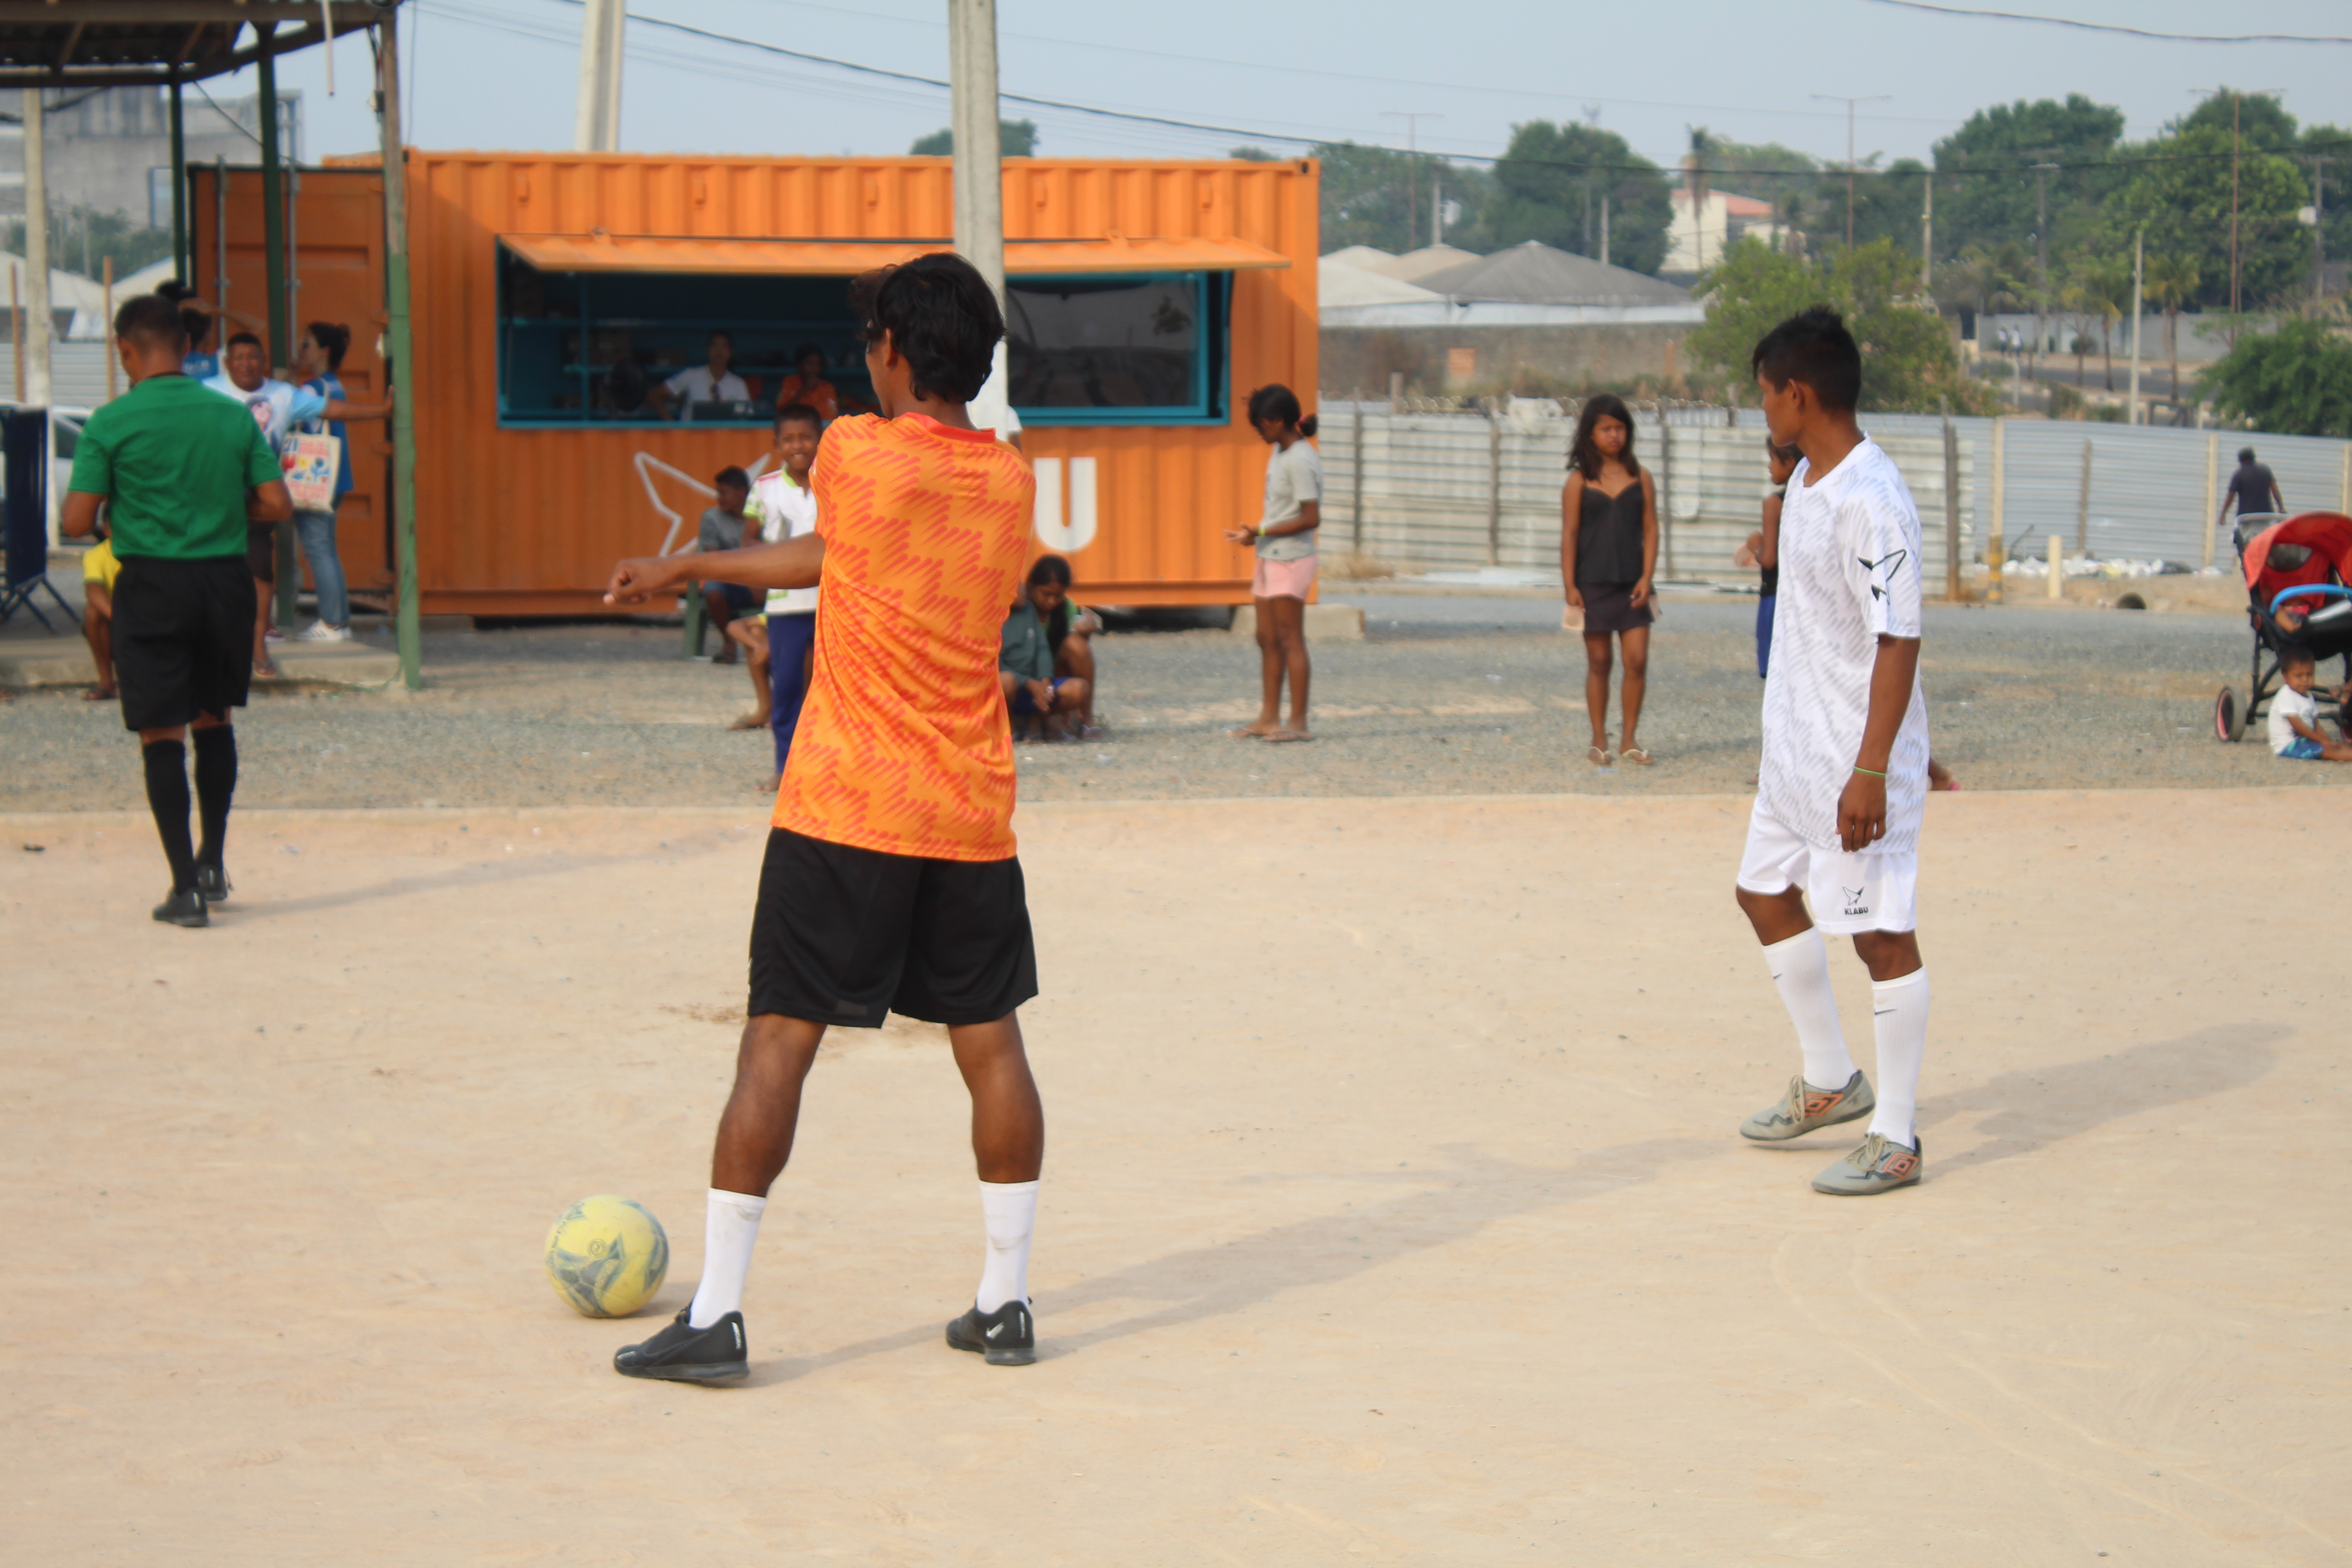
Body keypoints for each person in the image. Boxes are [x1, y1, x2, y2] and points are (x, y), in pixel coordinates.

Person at [598, 252, 1045, 1382]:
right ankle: (1004, 1301)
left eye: (871, 342)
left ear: (895, 350)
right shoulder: (1007, 481)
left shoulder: (851, 448)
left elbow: (838, 534)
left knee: (776, 1041)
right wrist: (698, 562)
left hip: (846, 801)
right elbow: (841, 556)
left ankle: (718, 1313)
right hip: (966, 809)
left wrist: (690, 559)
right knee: (990, 1046)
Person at [1732, 307, 1935, 1197]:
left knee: (1881, 938)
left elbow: (1900, 638)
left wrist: (1874, 767)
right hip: (1795, 760)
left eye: (1767, 395)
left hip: (1854, 764)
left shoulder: (1872, 499)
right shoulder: (1809, 483)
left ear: (1798, 393)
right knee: (1761, 892)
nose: (1764, 411)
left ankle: (1896, 1135)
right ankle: (1830, 1081)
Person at [62, 294, 293, 927]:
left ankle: (184, 889)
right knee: (212, 719)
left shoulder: (111, 422)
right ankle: (214, 861)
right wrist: (223, 508)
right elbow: (276, 506)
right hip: (225, 583)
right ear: (189, 349)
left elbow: (75, 519)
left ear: (125, 351)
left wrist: (125, 511)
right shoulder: (231, 417)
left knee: (160, 731)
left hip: (153, 586)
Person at [205, 333, 326, 676]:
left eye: (253, 357)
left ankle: (258, 645)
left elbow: (331, 408)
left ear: (264, 362)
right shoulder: (204, 389)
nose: (246, 363)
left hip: (259, 496)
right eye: (238, 357)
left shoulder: (284, 394)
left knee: (259, 567)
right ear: (227, 363)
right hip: (214, 492)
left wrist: (383, 410)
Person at [1560, 393, 1660, 766]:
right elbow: (1569, 534)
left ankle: (1630, 739)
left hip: (1634, 585)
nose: (1613, 435)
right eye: (1605, 429)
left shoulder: (1641, 477)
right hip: (1593, 585)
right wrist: (1570, 586)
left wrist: (1648, 576)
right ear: (1590, 434)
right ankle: (1599, 738)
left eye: (1619, 428)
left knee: (1637, 660)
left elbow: (1651, 529)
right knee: (1599, 660)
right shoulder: (1578, 481)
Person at [1223, 384, 1320, 743]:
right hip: (1269, 554)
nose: (1259, 433)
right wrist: (1254, 537)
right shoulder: (1280, 451)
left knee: (1290, 638)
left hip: (1292, 558)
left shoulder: (1301, 459)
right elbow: (1283, 511)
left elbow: (1312, 517)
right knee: (1266, 638)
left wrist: (1263, 529)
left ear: (1277, 421)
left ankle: (1298, 723)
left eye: (1261, 426)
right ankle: (1268, 717)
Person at [286, 321, 394, 643]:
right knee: (327, 549)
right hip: (336, 477)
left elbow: (287, 417)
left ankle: (333, 622)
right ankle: (339, 620)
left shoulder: (310, 389)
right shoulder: (334, 385)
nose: (300, 350)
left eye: (306, 345)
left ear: (324, 352)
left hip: (312, 479)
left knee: (318, 550)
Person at [735, 403, 824, 769]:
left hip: (831, 602)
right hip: (785, 605)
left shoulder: (837, 482)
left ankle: (827, 771)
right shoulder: (765, 488)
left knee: (829, 690)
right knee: (786, 687)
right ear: (776, 444)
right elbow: (747, 543)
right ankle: (785, 770)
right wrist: (784, 558)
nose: (798, 446)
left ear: (820, 440)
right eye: (789, 439)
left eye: (806, 437)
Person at [1000, 555, 1094, 740]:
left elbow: (1042, 648)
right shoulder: (997, 616)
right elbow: (993, 661)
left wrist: (1044, 679)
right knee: (1006, 681)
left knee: (1079, 683)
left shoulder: (1030, 611)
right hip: (1015, 684)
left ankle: (1080, 720)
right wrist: (1029, 683)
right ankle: (1008, 726)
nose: (1052, 601)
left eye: (1058, 596)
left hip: (1042, 680)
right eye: (1046, 594)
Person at [1736, 436, 1800, 681]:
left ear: (1790, 463)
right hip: (1803, 598)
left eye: (1773, 459)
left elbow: (1770, 560)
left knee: (1778, 676)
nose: (1769, 466)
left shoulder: (1775, 503)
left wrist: (1757, 546)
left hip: (1775, 597)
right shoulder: (1815, 497)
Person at [696, 466, 759, 664]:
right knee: (712, 590)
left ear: (741, 494)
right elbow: (712, 560)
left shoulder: (760, 515)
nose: (719, 498)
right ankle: (729, 644)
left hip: (762, 579)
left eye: (723, 493)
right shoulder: (712, 518)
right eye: (718, 492)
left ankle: (770, 647)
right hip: (730, 580)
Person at [2268, 646, 2352, 760]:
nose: (2305, 680)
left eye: (2310, 675)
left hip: (2304, 740)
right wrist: (2322, 741)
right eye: (2299, 676)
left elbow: (2315, 725)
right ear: (2285, 677)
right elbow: (2299, 727)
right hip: (2288, 745)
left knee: (2338, 746)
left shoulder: (2309, 697)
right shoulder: (2286, 695)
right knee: (2329, 752)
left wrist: (2328, 740)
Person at [650, 331, 749, 420]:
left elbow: (743, 418)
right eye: (715, 346)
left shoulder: (738, 384)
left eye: (725, 346)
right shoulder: (691, 375)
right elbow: (654, 394)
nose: (720, 351)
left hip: (723, 438)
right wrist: (670, 424)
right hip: (690, 437)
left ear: (730, 352)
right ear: (708, 350)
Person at [79, 513, 120, 701]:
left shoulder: (150, 552)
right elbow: (93, 589)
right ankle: (106, 681)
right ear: (106, 530)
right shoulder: (96, 555)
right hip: (119, 620)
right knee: (93, 612)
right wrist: (121, 619)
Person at [2220, 446, 2285, 541]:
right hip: (2265, 514)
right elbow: (2275, 490)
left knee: (2246, 542)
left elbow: (2231, 496)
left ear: (2240, 461)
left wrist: (2224, 514)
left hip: (2246, 517)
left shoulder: (2239, 474)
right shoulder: (2265, 470)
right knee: (2265, 540)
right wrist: (2281, 507)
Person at [770, 344, 843, 421]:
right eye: (809, 363)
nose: (814, 368)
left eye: (818, 364)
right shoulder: (789, 382)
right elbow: (781, 413)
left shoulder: (828, 388)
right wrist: (804, 389)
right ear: (800, 365)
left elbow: (831, 418)